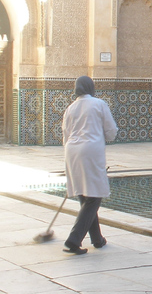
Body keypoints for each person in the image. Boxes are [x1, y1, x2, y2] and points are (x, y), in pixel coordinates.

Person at [62, 76, 118, 255]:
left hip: (71, 150)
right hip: (90, 150)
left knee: (85, 194)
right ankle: (74, 239)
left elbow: (66, 133)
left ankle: (97, 239)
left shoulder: (70, 108)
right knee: (94, 197)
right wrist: (105, 136)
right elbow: (111, 131)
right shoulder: (99, 104)